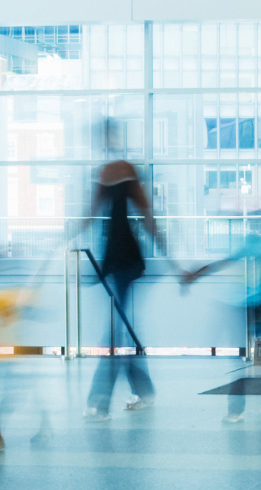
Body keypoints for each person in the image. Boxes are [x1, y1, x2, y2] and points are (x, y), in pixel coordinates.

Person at [83, 145, 168, 421]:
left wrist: (166, 251)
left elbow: (145, 214)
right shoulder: (107, 172)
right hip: (114, 258)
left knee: (115, 333)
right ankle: (144, 390)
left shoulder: (122, 171)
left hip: (124, 259)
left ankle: (100, 401)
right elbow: (92, 215)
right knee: (121, 330)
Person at [183, 230, 261, 423]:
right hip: (250, 306)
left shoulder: (255, 247)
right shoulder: (259, 248)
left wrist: (195, 275)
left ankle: (239, 408)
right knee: (260, 356)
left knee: (246, 358)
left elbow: (221, 264)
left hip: (252, 306)